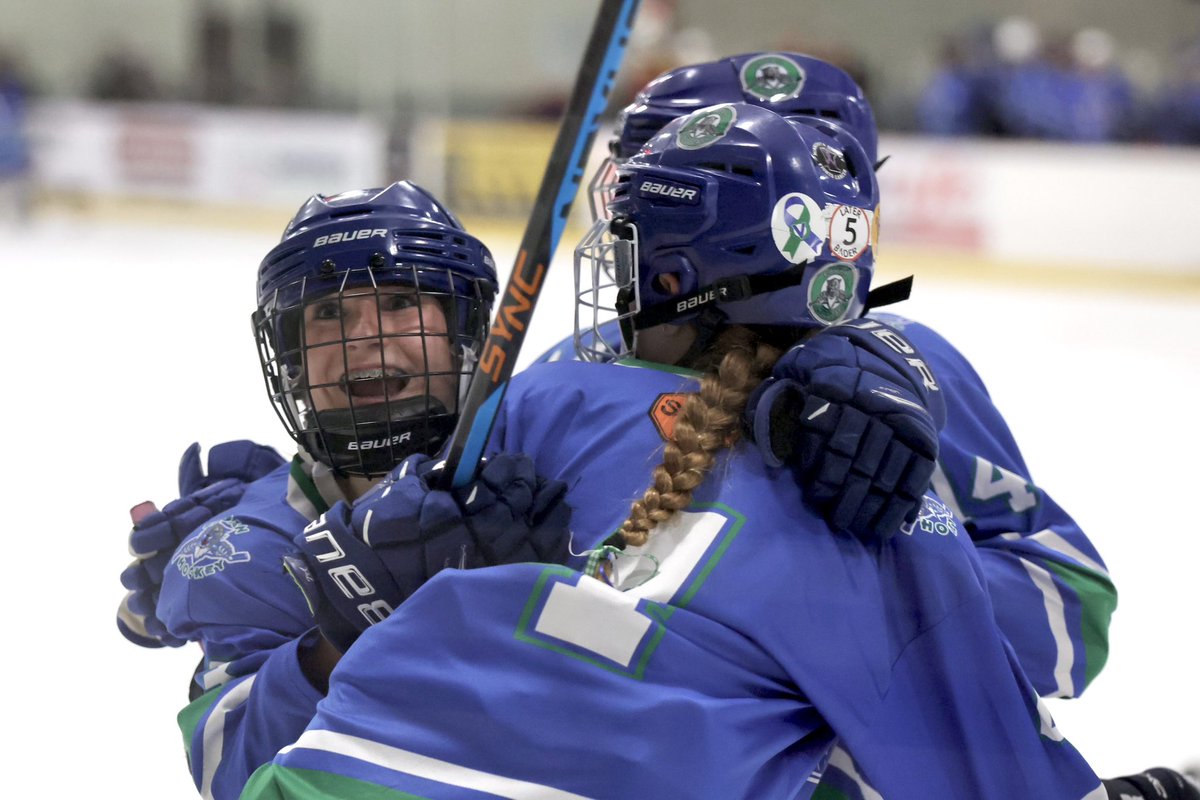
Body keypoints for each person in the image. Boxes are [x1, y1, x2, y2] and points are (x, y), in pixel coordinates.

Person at [241, 105, 1109, 799]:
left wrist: (371, 622)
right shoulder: (882, 512)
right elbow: (988, 717)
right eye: (331, 319)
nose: (370, 346)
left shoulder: (555, 393)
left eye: (399, 308)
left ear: (670, 281)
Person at [138, 182, 575, 800]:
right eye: (328, 313)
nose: (366, 333)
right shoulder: (247, 553)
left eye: (399, 300)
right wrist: (342, 637)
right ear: (291, 354)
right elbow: (235, 776)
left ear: (463, 332)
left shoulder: (560, 441)